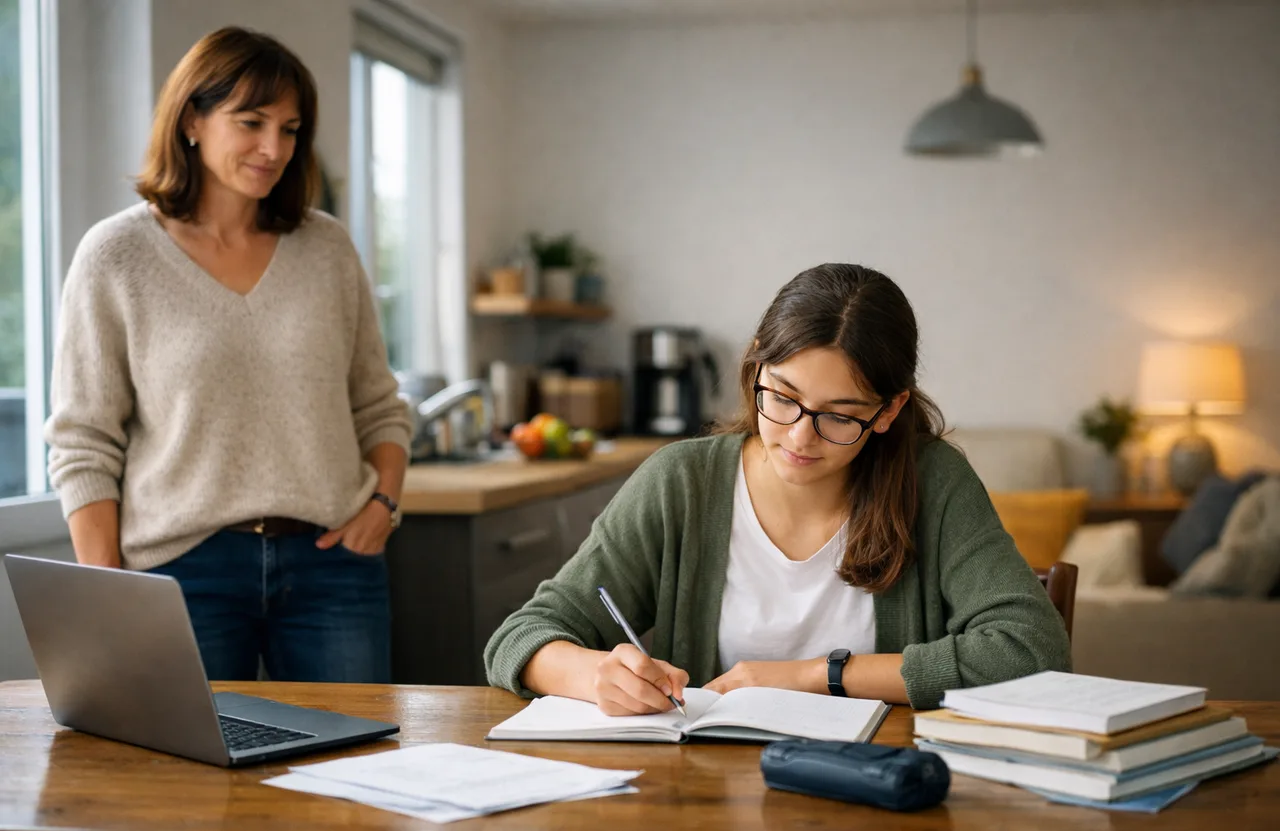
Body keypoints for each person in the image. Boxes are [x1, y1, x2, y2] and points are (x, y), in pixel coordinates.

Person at [485, 263, 1071, 712]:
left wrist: (819, 675)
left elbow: (1033, 648)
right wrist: (596, 676)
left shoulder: (933, 482)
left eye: (840, 415)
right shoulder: (681, 482)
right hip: (702, 804)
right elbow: (521, 637)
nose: (799, 437)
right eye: (783, 397)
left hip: (878, 797)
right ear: (755, 367)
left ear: (889, 411)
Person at [43, 27, 411, 684]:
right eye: (251, 121)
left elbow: (379, 406)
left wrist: (383, 504)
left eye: (291, 128)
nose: (274, 148)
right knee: (192, 783)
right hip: (182, 573)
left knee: (351, 781)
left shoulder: (327, 249)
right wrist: (109, 599)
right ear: (192, 120)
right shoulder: (114, 256)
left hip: (333, 567)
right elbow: (82, 444)